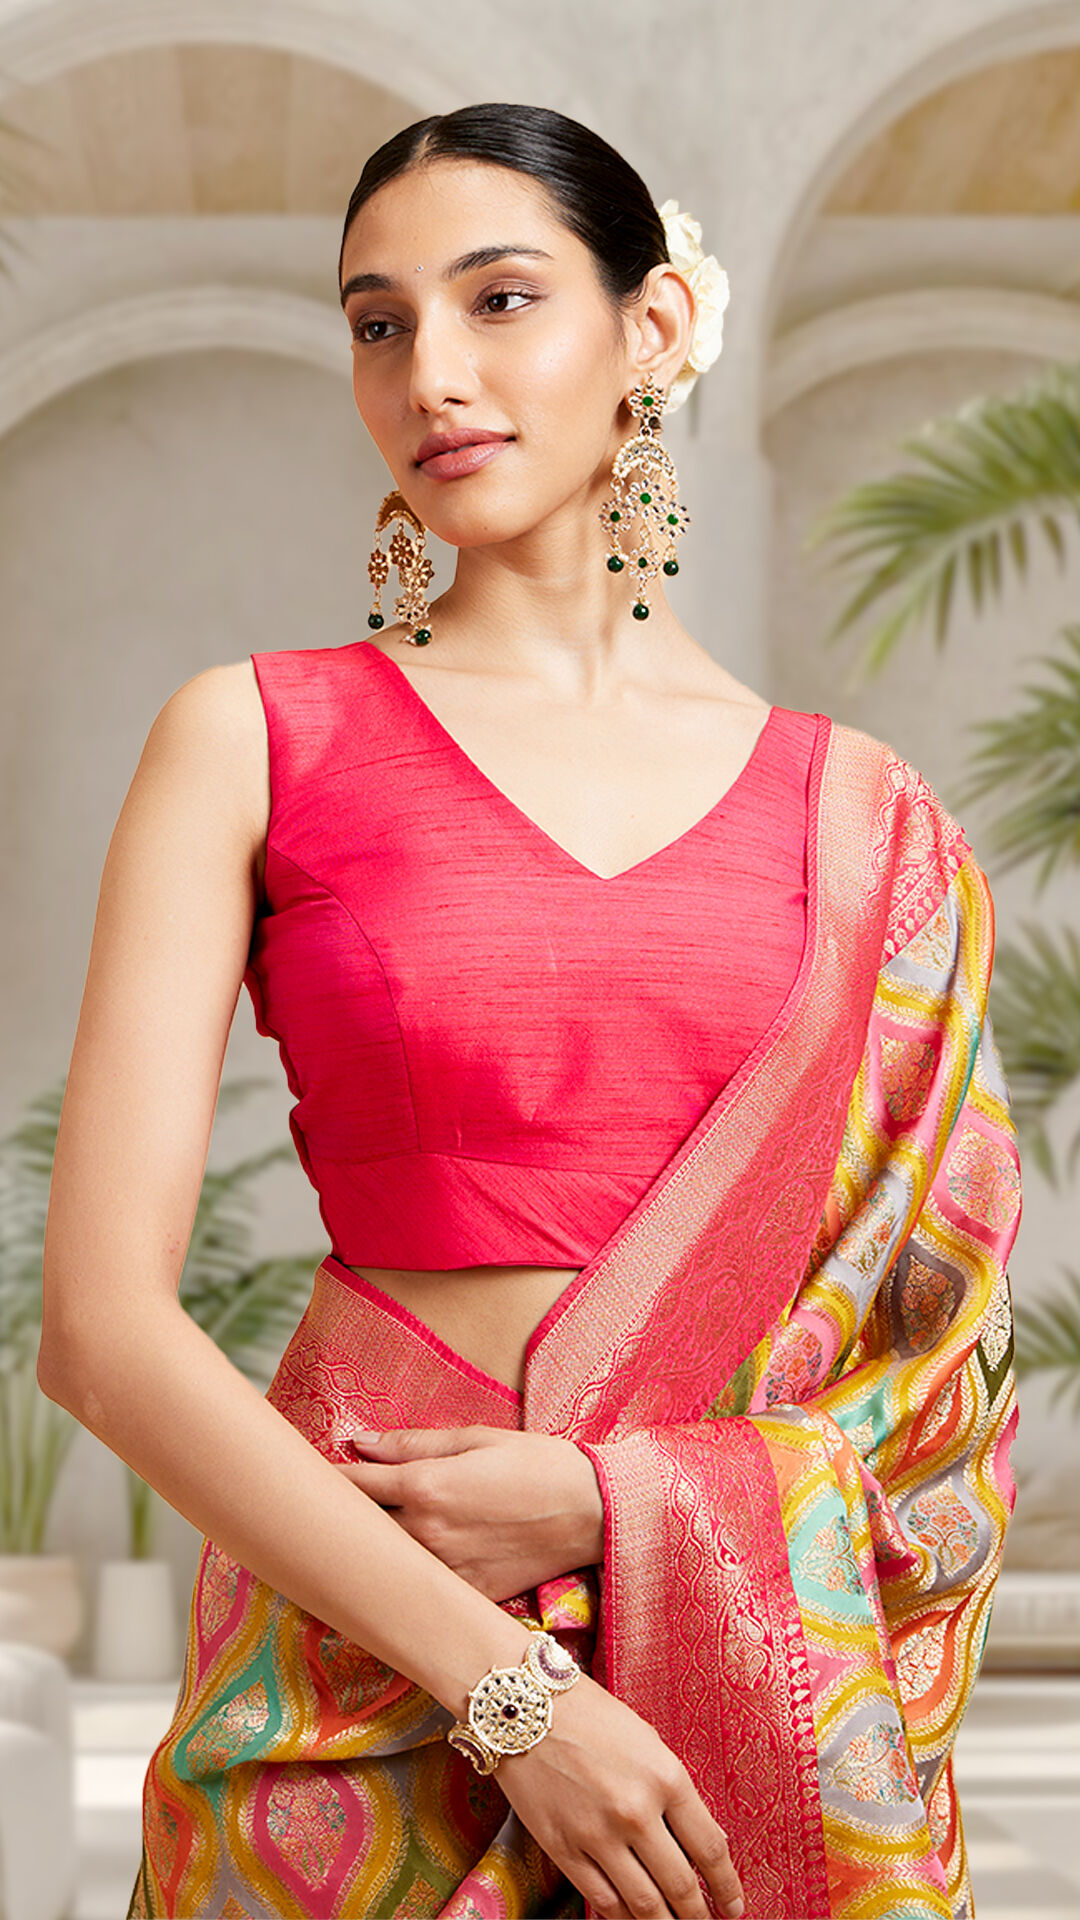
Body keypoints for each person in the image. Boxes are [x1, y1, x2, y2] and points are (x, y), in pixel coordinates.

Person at [37, 103, 1021, 1920]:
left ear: (652, 330)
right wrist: (512, 1697)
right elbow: (101, 1330)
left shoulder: (858, 817)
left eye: (501, 300)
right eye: (380, 321)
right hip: (352, 1670)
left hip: (727, 1709)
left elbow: (935, 1367)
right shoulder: (252, 735)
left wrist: (617, 1512)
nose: (436, 373)